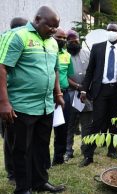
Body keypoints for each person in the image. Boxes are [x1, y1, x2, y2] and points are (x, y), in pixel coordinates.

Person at [0, 6, 65, 194]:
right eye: (50, 26)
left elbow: (55, 70)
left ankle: (39, 182)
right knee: (21, 149)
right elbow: (2, 68)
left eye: (56, 27)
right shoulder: (17, 36)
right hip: (21, 106)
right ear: (37, 20)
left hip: (45, 106)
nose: (53, 30)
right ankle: (23, 188)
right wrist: (3, 102)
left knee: (41, 147)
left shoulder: (52, 43)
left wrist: (58, 94)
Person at [80, 22, 117, 166]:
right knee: (96, 122)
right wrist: (84, 89)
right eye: (108, 29)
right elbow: (90, 70)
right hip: (100, 90)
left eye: (113, 30)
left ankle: (112, 150)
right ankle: (88, 155)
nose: (110, 31)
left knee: (114, 122)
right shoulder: (97, 48)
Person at [1, 17, 28, 184]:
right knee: (11, 137)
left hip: (15, 97)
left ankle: (18, 171)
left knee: (13, 137)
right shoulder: (9, 40)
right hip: (9, 97)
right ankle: (12, 173)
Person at [64, 29, 93, 161]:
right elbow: (63, 75)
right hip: (70, 93)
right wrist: (76, 86)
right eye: (69, 40)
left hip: (86, 94)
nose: (72, 42)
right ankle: (68, 151)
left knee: (86, 124)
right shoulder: (64, 56)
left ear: (78, 40)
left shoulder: (88, 54)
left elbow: (92, 73)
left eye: (74, 40)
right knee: (70, 124)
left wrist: (84, 89)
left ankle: (85, 149)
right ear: (66, 42)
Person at [52, 28, 74, 166]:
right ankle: (42, 160)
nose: (63, 40)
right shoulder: (47, 51)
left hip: (64, 94)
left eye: (65, 38)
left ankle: (58, 158)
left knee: (62, 127)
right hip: (48, 95)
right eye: (59, 37)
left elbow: (69, 75)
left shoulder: (67, 55)